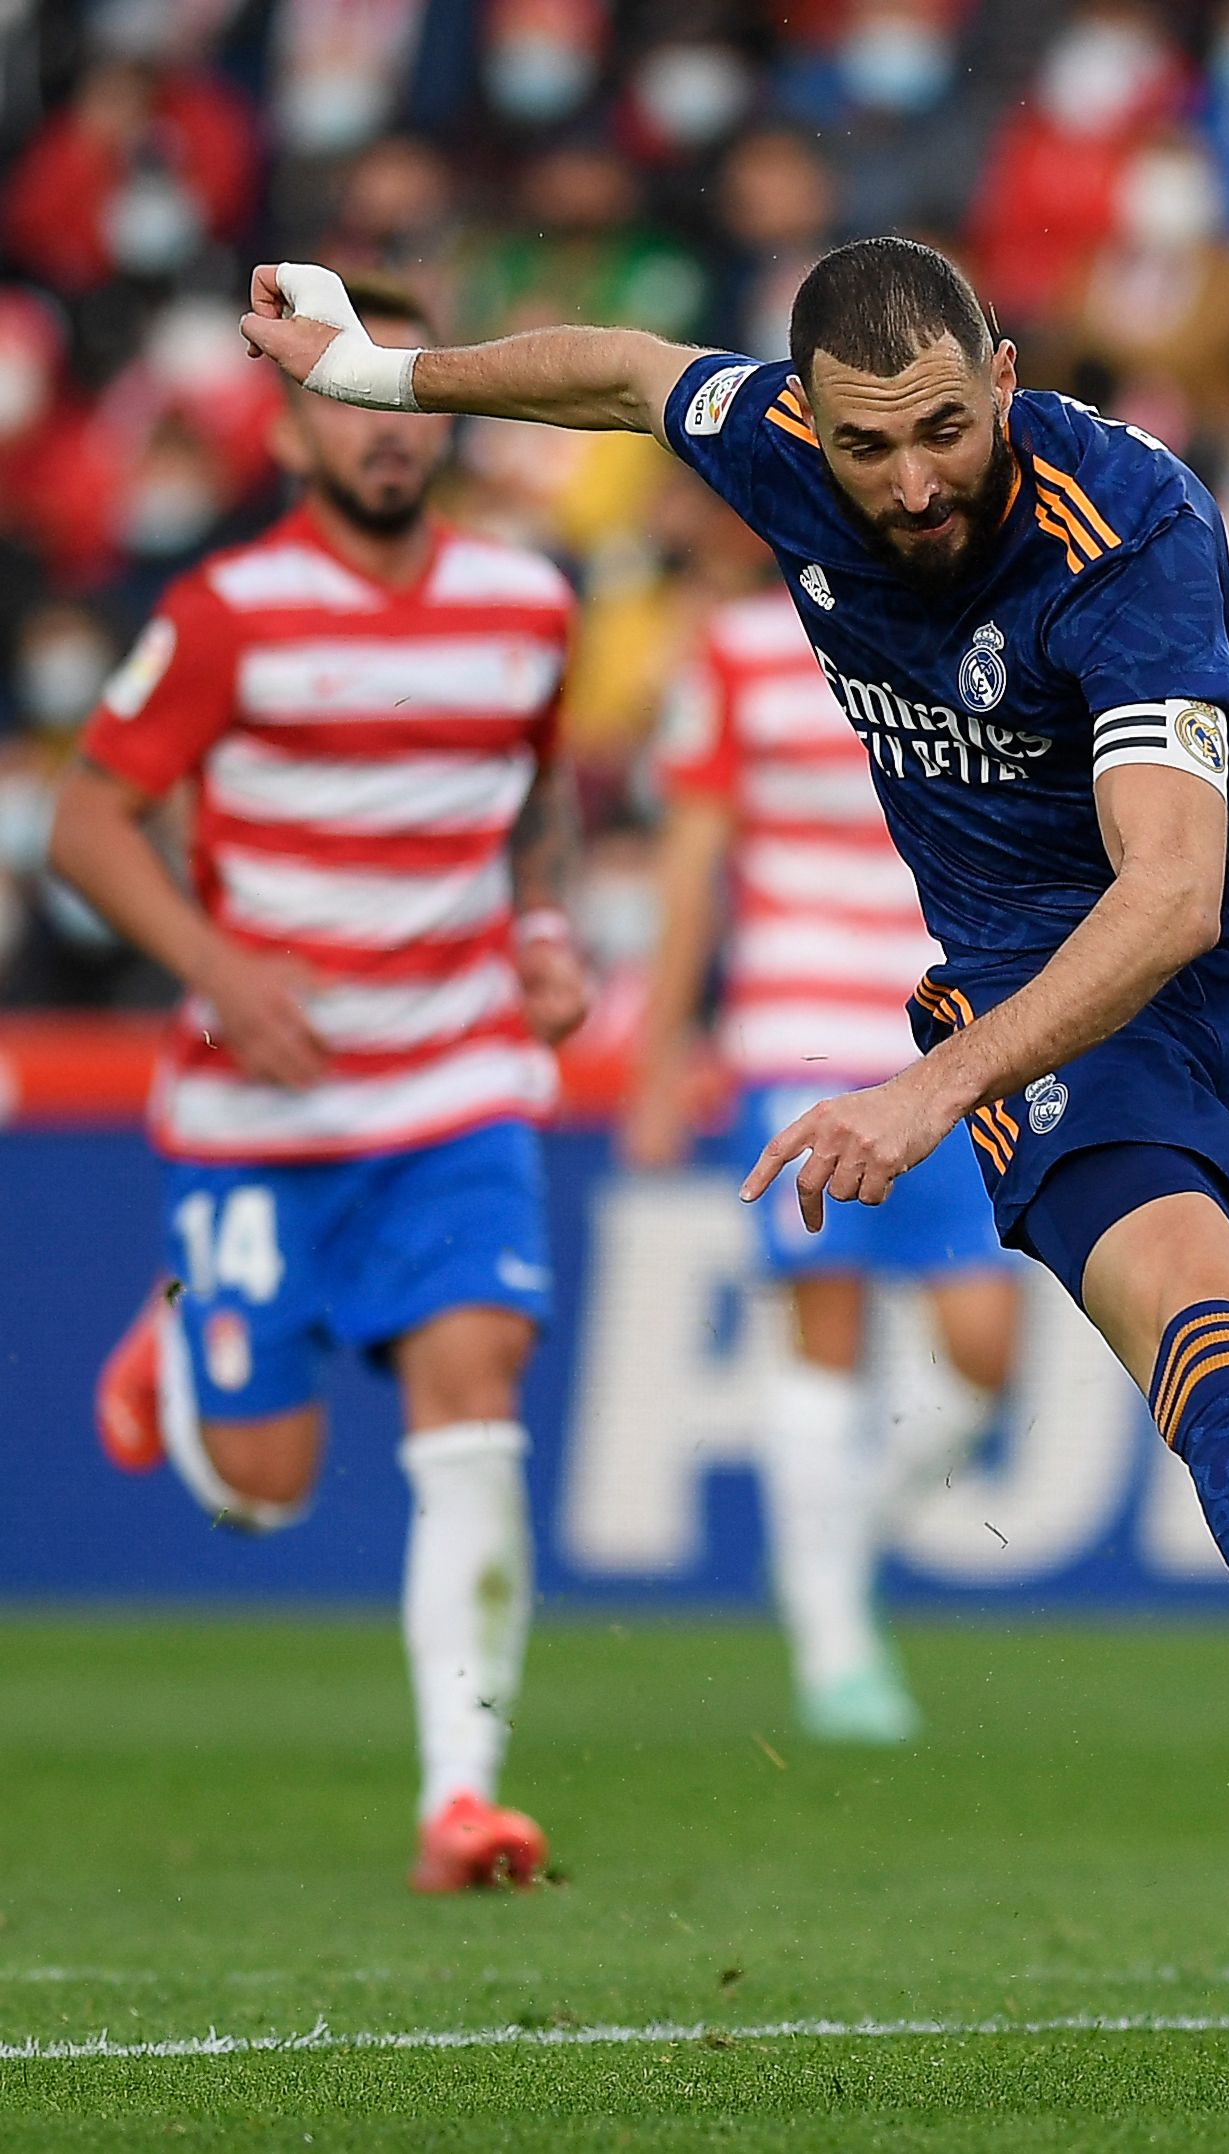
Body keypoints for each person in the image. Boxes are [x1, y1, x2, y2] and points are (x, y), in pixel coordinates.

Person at [237, 240, 1229, 1976]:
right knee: (1211, 1347)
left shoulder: (1127, 530)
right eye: (866, 444)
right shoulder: (775, 441)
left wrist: (922, 1090)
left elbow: (1169, 895)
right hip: (1048, 1004)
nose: (909, 478)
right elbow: (621, 372)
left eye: (945, 430)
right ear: (808, 418)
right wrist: (371, 376)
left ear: (1006, 379)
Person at [48, 273, 584, 1896]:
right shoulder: (227, 613)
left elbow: (537, 794)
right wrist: (217, 967)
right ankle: (175, 1318)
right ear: (285, 423)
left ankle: (462, 1792)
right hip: (260, 1113)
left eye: (396, 400)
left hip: (453, 1082)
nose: (379, 438)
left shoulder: (527, 603)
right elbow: (85, 819)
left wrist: (545, 928)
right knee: (266, 1494)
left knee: (475, 1393)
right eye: (338, 402)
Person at [620, 499, 1021, 1747]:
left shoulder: (953, 632)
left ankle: (828, 1551)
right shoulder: (734, 651)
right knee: (829, 1327)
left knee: (984, 1353)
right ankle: (835, 1645)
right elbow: (693, 862)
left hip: (946, 1034)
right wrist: (658, 1053)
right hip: (793, 1032)